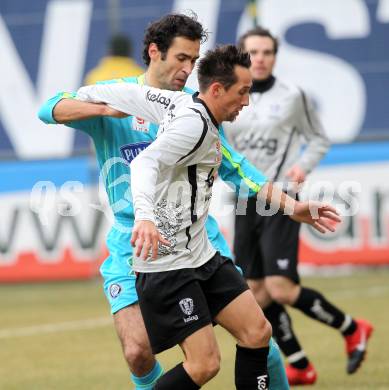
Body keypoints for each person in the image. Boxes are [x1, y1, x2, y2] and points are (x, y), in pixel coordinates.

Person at [38, 14, 289, 390]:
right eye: (182, 59)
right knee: (138, 351)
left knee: (258, 337)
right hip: (134, 240)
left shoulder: (194, 107)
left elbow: (234, 166)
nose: (188, 69)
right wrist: (105, 110)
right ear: (155, 52)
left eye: (194, 60)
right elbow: (49, 108)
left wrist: (283, 199)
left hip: (198, 240)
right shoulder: (118, 94)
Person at [73, 44, 341, 389]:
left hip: (202, 254)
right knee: (204, 364)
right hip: (169, 265)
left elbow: (240, 170)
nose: (247, 102)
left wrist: (93, 94)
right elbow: (143, 163)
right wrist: (145, 217)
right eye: (242, 92)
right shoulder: (194, 127)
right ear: (217, 90)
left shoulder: (181, 102)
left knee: (258, 331)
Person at [223, 26, 374, 385]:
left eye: (266, 52)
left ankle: (352, 328)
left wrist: (301, 168)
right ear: (242, 58)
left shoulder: (292, 96)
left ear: (275, 57)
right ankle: (301, 363)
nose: (259, 58)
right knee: (255, 294)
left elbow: (319, 140)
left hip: (282, 198)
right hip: (246, 202)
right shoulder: (231, 98)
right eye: (253, 52)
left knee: (281, 288)